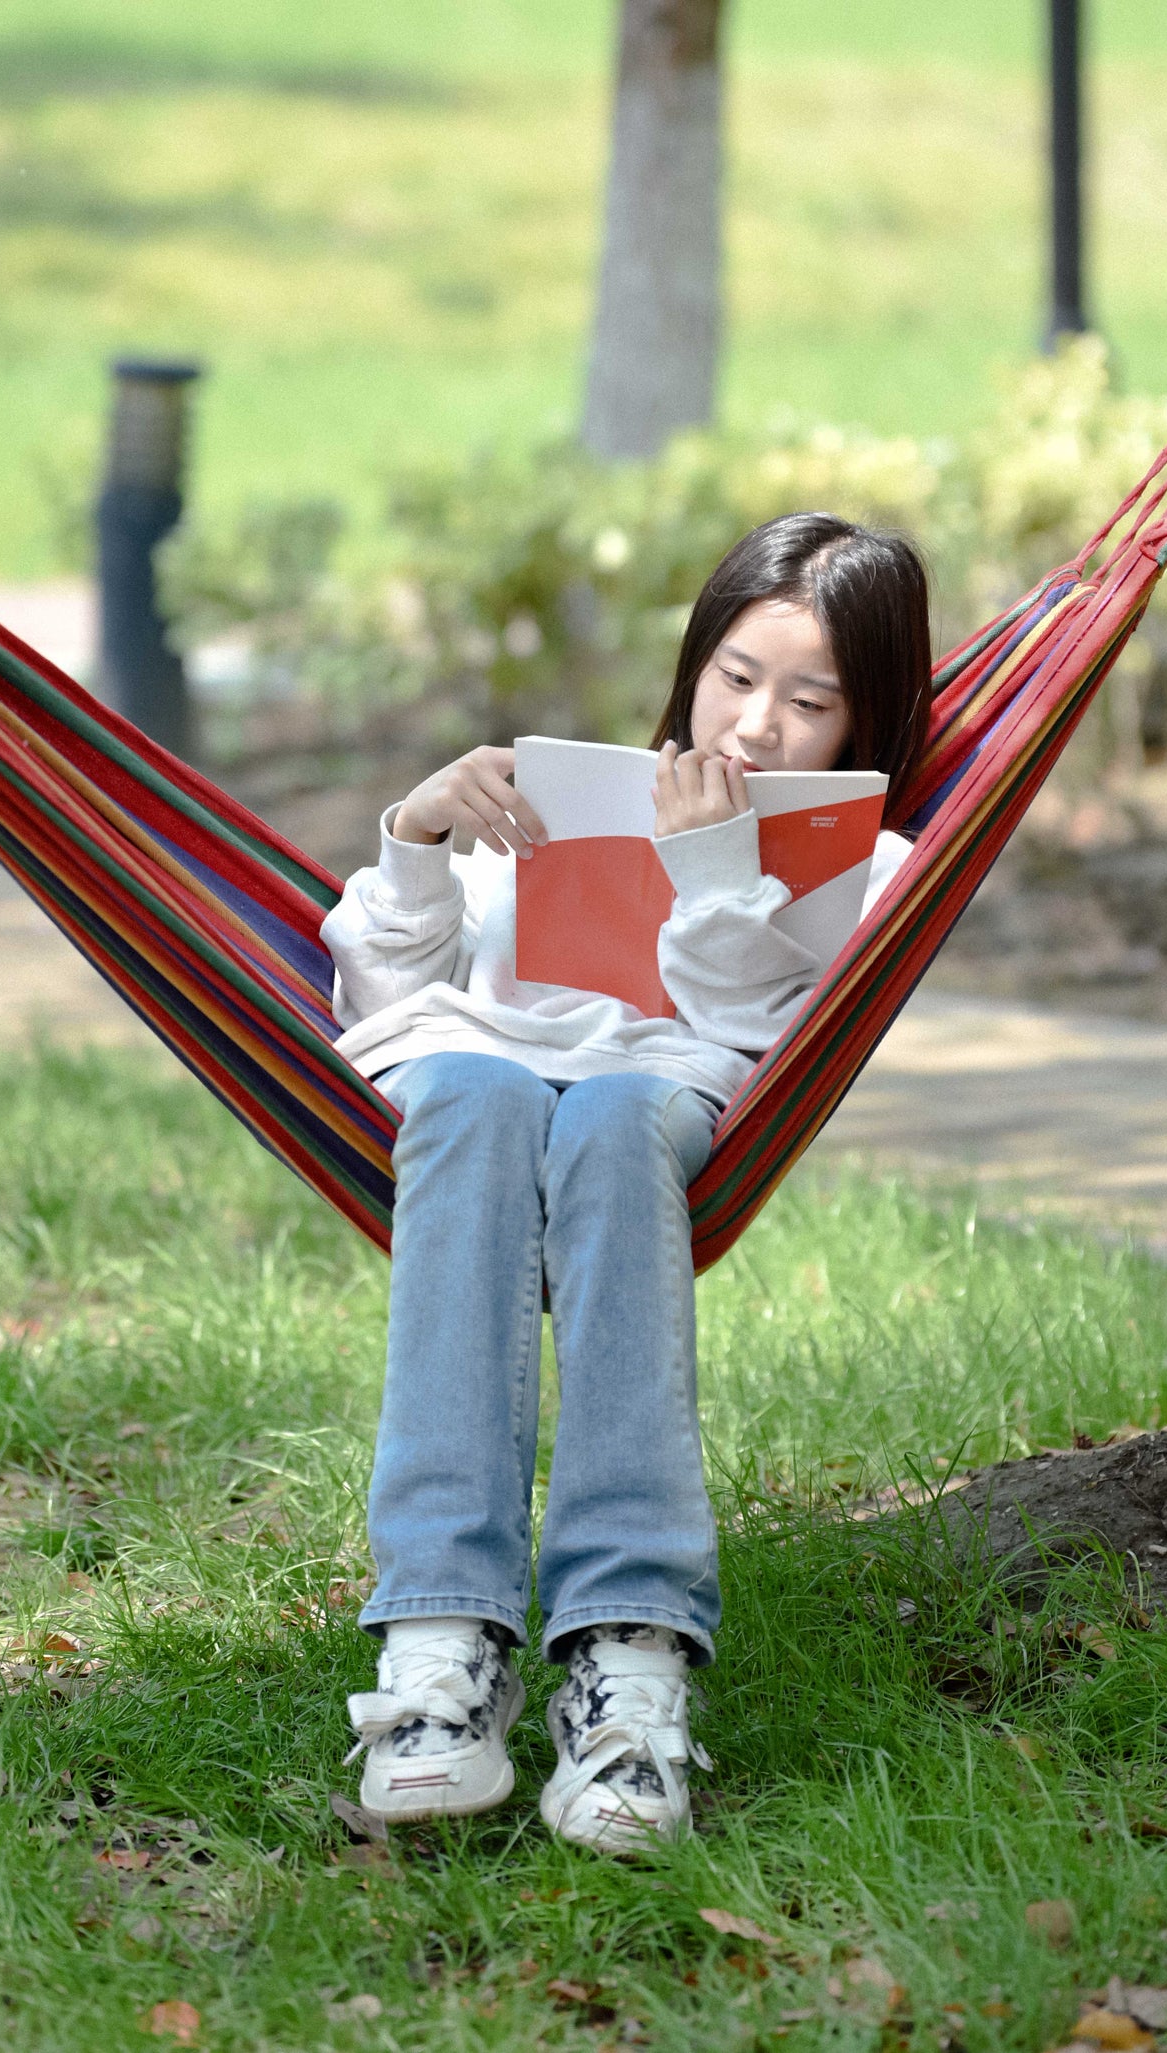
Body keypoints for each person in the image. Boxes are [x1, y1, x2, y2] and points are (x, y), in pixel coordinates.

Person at [320, 511, 932, 1852]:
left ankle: (626, 1668)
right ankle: (439, 1652)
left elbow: (758, 1018)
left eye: (809, 701)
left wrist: (719, 870)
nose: (759, 725)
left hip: (662, 1093)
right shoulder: (577, 793)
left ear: (867, 720)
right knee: (476, 1094)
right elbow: (388, 983)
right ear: (693, 666)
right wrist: (421, 836)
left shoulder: (871, 864)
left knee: (607, 1118)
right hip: (479, 1066)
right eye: (736, 676)